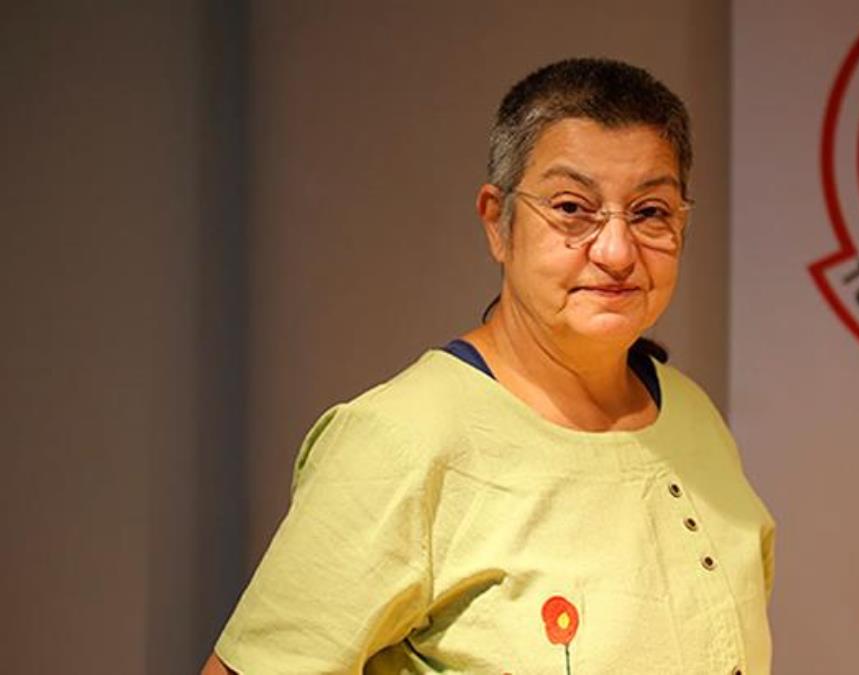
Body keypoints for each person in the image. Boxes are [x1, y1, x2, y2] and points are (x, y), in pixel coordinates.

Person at [203, 57, 774, 675]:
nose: (616, 251)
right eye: (572, 208)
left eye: (650, 212)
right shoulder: (403, 439)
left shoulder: (692, 416)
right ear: (497, 222)